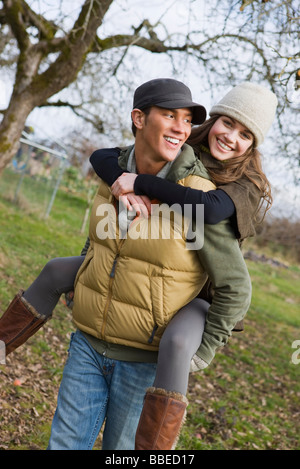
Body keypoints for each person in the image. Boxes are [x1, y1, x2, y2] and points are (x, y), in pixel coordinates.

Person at [0, 80, 276, 450]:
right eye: (227, 124)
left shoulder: (221, 191)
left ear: (253, 147)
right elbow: (102, 197)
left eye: (245, 134)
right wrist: (119, 185)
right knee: (56, 270)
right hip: (95, 335)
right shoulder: (147, 158)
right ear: (211, 123)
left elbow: (214, 221)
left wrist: (201, 351)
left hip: (176, 320)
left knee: (172, 358)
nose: (231, 137)